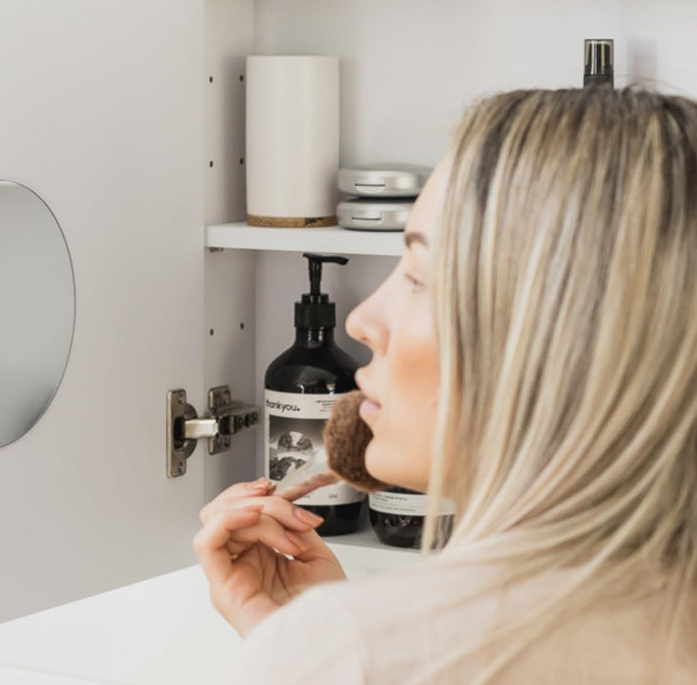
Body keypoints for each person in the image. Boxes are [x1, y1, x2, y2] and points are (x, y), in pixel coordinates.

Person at [194, 87, 697, 684]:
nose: (362, 320)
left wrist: (321, 649)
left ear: (560, 339)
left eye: (420, 276)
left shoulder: (354, 651)